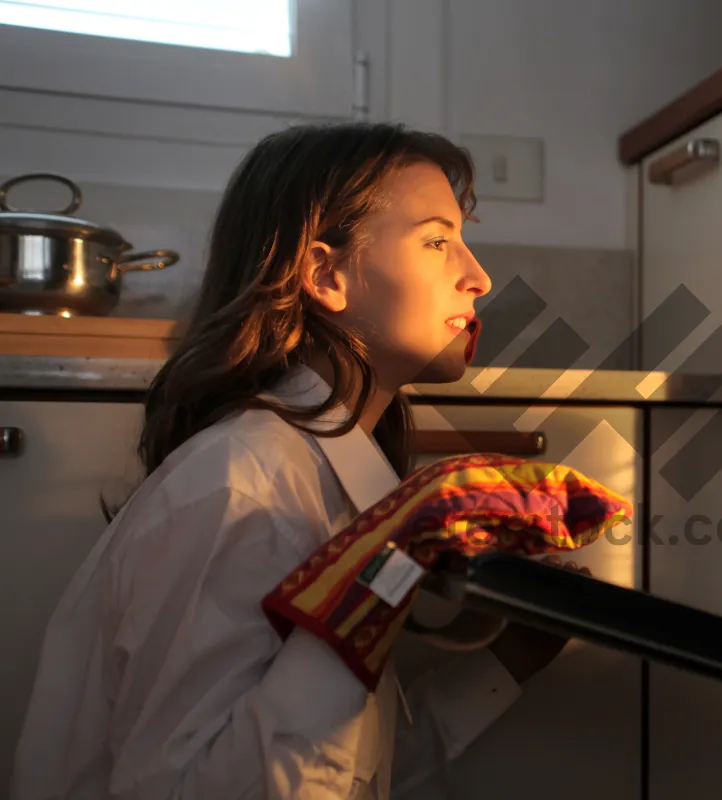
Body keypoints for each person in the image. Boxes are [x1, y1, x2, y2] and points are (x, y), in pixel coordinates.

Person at [11, 122, 579, 799]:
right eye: (437, 241)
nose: (478, 276)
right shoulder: (241, 488)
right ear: (325, 275)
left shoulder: (321, 476)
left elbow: (341, 774)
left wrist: (507, 664)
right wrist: (368, 591)